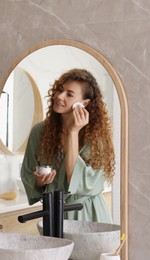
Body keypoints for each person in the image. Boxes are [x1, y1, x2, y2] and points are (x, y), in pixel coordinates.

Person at [20, 68, 115, 223]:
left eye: (69, 94)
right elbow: (27, 174)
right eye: (59, 90)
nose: (59, 96)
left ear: (84, 103)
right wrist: (40, 181)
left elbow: (79, 182)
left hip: (87, 215)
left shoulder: (97, 139)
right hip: (53, 215)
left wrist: (73, 133)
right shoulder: (39, 132)